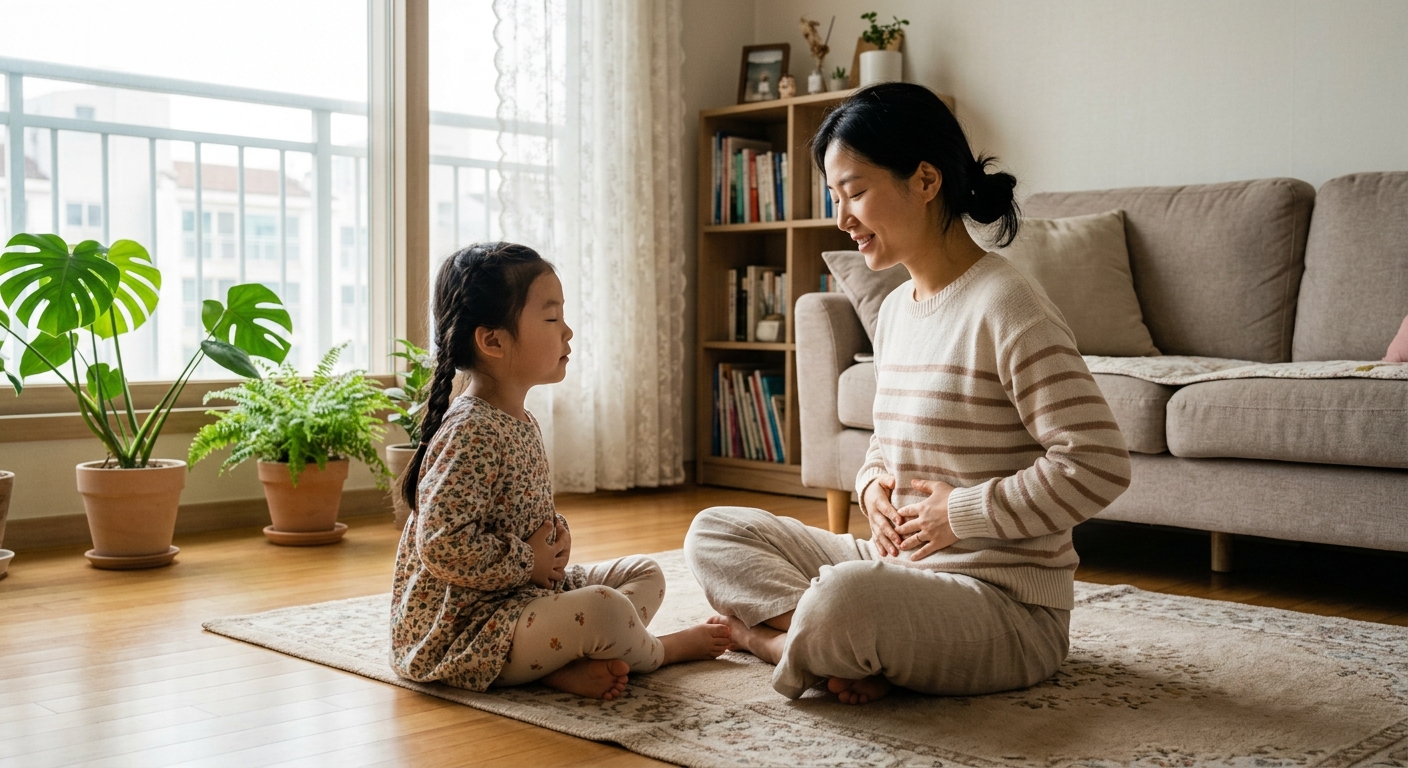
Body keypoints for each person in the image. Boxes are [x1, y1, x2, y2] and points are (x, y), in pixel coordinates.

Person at [685, 83, 1132, 705]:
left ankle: (775, 643)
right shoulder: (895, 310)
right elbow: (885, 449)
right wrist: (872, 489)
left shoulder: (1009, 307)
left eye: (857, 192)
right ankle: (842, 645)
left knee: (845, 598)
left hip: (1004, 607)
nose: (842, 218)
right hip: (895, 568)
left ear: (925, 180)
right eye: (835, 197)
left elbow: (1099, 464)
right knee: (715, 530)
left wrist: (962, 513)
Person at [391, 242, 730, 700]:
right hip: (470, 629)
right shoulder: (469, 431)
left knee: (645, 571)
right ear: (493, 340)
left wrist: (555, 536)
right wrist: (528, 560)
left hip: (521, 598)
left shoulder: (520, 419)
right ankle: (658, 652)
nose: (568, 331)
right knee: (605, 610)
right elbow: (441, 546)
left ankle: (559, 663)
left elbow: (521, 509)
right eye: (552, 319)